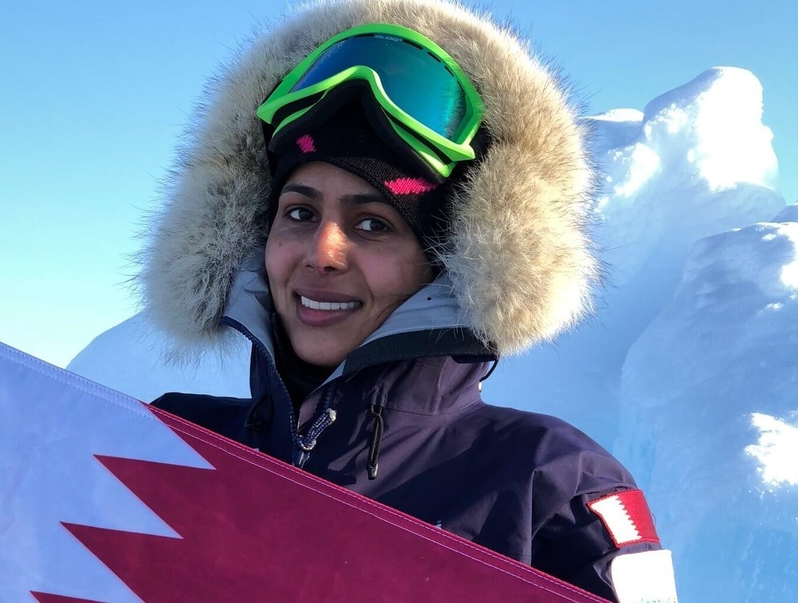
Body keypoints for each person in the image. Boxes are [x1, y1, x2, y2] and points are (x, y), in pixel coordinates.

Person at [140, 0, 678, 600]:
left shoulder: (552, 492)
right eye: (298, 212)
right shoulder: (164, 440)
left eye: (374, 224)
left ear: (446, 264)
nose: (322, 252)